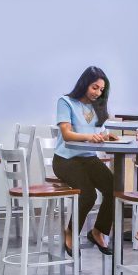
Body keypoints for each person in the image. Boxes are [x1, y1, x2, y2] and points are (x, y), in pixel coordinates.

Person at [52, 66, 114, 255]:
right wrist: (88, 137)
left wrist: (108, 136)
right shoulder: (66, 102)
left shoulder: (96, 106)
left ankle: (98, 231)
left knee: (115, 188)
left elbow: (98, 132)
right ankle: (71, 232)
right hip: (66, 159)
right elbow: (67, 134)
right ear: (84, 83)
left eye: (101, 89)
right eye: (95, 87)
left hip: (88, 159)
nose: (98, 92)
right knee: (88, 194)